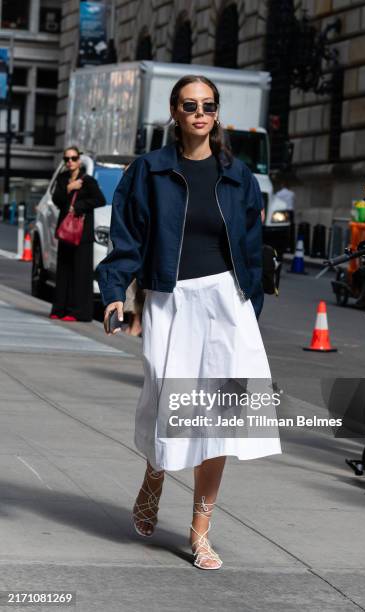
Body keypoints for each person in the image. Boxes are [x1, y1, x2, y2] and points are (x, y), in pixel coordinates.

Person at [96, 75, 282, 570]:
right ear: (175, 113)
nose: (199, 113)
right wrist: (115, 294)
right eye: (189, 105)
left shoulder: (238, 176)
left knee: (220, 415)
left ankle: (201, 532)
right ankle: (155, 473)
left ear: (216, 114)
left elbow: (249, 246)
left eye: (208, 105)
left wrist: (250, 308)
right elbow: (127, 239)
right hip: (170, 300)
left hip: (226, 300)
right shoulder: (150, 171)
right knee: (168, 400)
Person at [50, 146, 106, 322]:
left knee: (80, 273)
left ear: (79, 160)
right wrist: (69, 189)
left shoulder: (87, 181)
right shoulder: (62, 179)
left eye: (73, 158)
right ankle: (59, 309)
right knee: (63, 271)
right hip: (66, 231)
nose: (70, 162)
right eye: (66, 159)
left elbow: (100, 200)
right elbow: (56, 199)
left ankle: (77, 312)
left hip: (82, 235)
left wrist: (80, 206)